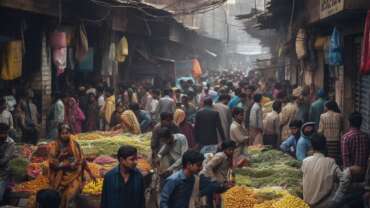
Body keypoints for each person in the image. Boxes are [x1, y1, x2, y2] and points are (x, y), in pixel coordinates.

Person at [302, 133, 357, 208]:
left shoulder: (305, 161)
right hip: (325, 205)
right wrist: (337, 198)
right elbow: (345, 180)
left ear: (312, 147)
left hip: (307, 204)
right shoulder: (330, 162)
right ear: (325, 146)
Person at [160, 150, 228, 208]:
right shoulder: (173, 180)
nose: (201, 168)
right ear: (189, 164)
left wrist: (223, 186)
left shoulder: (195, 179)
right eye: (198, 165)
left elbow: (211, 186)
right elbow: (163, 202)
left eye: (201, 165)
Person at [48, 124, 91, 208]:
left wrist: (87, 170)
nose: (65, 135)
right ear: (59, 134)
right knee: (59, 194)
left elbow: (81, 158)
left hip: (74, 174)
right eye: (63, 133)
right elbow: (52, 162)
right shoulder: (55, 146)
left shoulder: (75, 144)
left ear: (70, 133)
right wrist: (62, 161)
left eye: (67, 133)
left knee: (71, 194)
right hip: (60, 175)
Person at [341, 112, 370, 181]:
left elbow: (345, 159)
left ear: (349, 122)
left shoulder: (346, 137)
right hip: (364, 174)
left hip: (351, 175)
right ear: (361, 123)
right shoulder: (366, 137)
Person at [0, 123, 15, 203]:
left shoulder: (10, 143)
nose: (3, 135)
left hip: (5, 171)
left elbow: (5, 159)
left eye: (5, 133)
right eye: (1, 133)